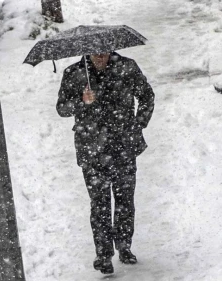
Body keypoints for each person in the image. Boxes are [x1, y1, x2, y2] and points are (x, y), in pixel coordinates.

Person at [56, 52, 154, 274]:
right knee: (99, 204)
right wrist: (81, 100)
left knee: (124, 200)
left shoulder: (127, 67)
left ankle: (124, 246)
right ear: (87, 53)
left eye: (104, 53)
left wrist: (138, 124)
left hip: (124, 146)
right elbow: (61, 108)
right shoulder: (74, 73)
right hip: (92, 149)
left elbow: (147, 95)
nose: (100, 57)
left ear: (111, 50)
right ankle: (103, 254)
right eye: (95, 54)